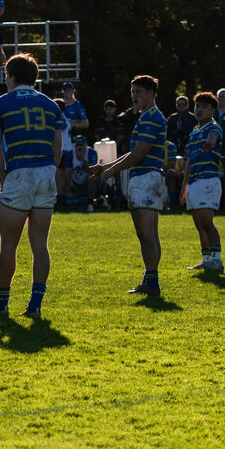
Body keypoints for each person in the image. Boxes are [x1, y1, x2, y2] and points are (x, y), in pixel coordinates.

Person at [0, 53, 65, 317]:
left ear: (10, 76)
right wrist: (50, 171)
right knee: (40, 244)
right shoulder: (52, 106)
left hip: (19, 174)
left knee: (9, 245)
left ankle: (2, 303)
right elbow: (57, 147)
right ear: (35, 78)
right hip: (45, 173)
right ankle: (35, 306)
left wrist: (2, 180)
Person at [90, 75, 171, 296]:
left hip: (146, 177)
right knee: (147, 233)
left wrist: (112, 171)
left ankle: (152, 282)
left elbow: (139, 154)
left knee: (146, 234)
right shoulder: (147, 117)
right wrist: (105, 166)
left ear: (151, 94)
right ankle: (150, 279)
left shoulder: (152, 118)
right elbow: (133, 152)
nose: (134, 96)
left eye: (139, 92)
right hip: (146, 177)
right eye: (132, 92)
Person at [182, 91, 225, 271]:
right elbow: (189, 161)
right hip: (194, 183)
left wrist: (210, 142)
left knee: (207, 223)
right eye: (197, 106)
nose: (199, 110)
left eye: (203, 107)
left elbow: (213, 138)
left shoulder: (213, 127)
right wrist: (184, 186)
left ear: (212, 110)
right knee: (199, 225)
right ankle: (206, 260)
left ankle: (217, 261)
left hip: (208, 181)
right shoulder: (194, 131)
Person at [57, 83, 90, 205]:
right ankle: (63, 195)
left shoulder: (77, 106)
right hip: (65, 145)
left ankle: (65, 195)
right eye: (65, 91)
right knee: (63, 172)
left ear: (73, 91)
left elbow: (85, 124)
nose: (67, 93)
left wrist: (72, 124)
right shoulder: (61, 110)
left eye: (69, 91)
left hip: (72, 144)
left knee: (66, 171)